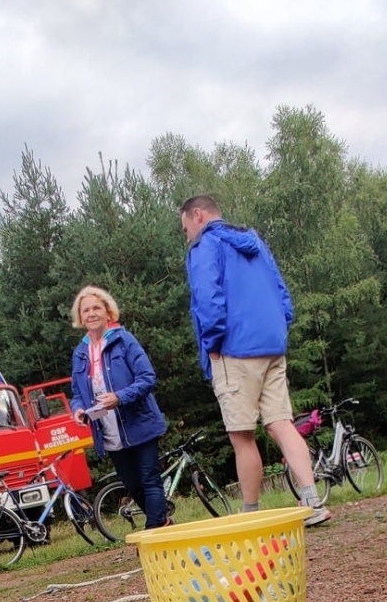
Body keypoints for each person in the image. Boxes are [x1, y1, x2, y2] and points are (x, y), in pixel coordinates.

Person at [179, 194, 329, 526]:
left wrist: (213, 342)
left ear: (198, 215)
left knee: (241, 436)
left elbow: (208, 298)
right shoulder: (254, 241)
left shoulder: (205, 246)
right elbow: (281, 292)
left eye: (185, 225)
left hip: (234, 349)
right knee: (281, 424)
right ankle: (313, 501)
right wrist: (279, 328)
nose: (186, 233)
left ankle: (251, 514)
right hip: (272, 344)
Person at [67, 285, 168, 529]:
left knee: (149, 480)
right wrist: (78, 409)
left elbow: (147, 377)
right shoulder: (80, 353)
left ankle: (153, 532)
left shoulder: (124, 340)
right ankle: (163, 523)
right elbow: (77, 392)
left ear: (108, 312)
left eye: (96, 308)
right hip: (109, 433)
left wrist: (120, 397)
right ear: (80, 317)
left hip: (140, 424)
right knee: (133, 486)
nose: (91, 314)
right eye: (86, 310)